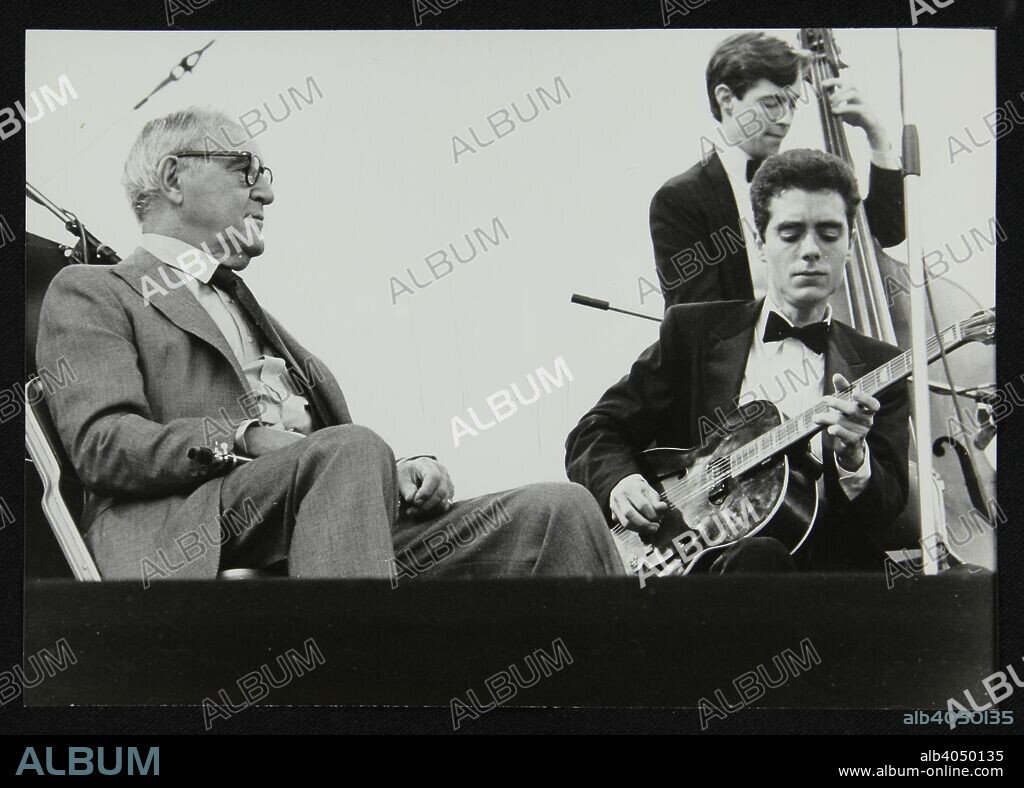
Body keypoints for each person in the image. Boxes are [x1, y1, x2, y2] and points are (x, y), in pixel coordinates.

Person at [36, 107, 624, 582]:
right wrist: (242, 437)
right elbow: (102, 442)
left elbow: (336, 453)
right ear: (173, 179)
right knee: (349, 452)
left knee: (561, 512)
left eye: (266, 176)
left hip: (332, 523)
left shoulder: (248, 307)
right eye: (246, 168)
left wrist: (391, 471)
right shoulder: (93, 290)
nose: (265, 193)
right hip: (195, 533)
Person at [568, 149, 909, 572]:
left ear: (850, 244)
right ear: (761, 242)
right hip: (695, 570)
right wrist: (622, 482)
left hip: (825, 579)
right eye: (790, 233)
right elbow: (595, 431)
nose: (810, 251)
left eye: (828, 233)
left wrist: (853, 457)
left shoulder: (880, 368)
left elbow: (887, 510)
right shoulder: (694, 333)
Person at [650, 31, 906, 309]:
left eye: (792, 103)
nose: (785, 118)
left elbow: (887, 231)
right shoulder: (679, 199)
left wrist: (877, 137)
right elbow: (698, 320)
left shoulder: (803, 181)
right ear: (726, 99)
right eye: (771, 104)